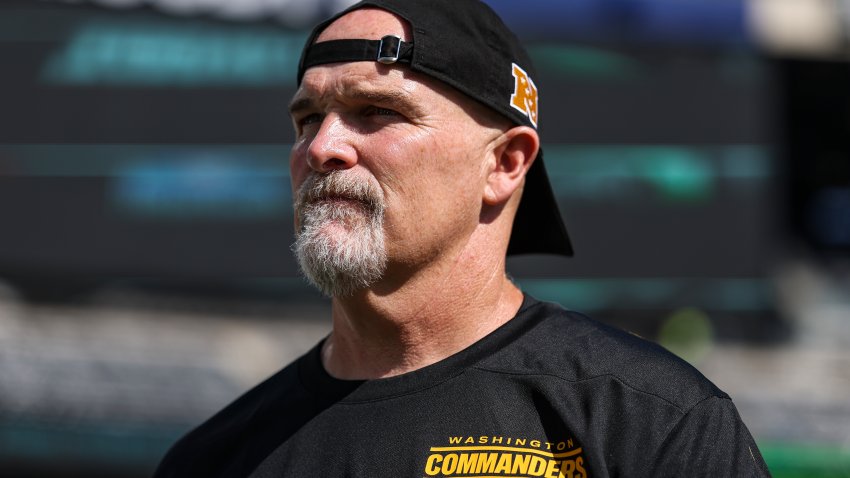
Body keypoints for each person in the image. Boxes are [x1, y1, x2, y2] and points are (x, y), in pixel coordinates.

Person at [154, 0, 772, 476]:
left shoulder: (649, 424)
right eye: (307, 118)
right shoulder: (213, 458)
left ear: (504, 164)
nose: (321, 148)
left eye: (377, 112)